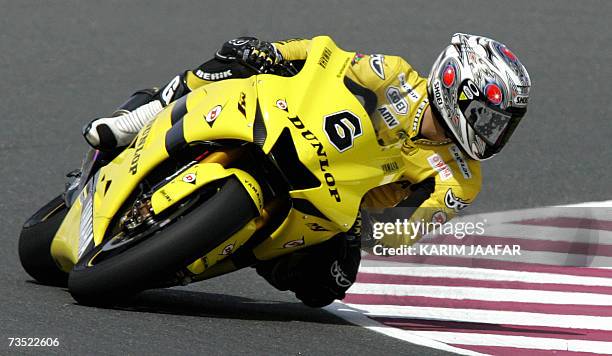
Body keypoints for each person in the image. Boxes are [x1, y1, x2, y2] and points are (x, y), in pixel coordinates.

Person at [82, 34, 531, 307]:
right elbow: (324, 58)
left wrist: (366, 229)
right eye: (488, 117)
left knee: (329, 284)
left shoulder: (460, 177)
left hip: (334, 210)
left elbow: (406, 229)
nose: (492, 132)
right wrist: (272, 53)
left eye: (501, 125)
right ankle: (137, 121)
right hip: (288, 131)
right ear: (454, 85)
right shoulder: (392, 75)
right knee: (236, 56)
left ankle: (243, 246)